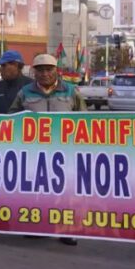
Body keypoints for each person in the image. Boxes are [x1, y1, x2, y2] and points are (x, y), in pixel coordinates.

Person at [9, 53, 84, 246]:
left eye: (49, 69)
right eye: (40, 70)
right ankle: (38, 226)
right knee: (37, 190)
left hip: (65, 152)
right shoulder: (25, 92)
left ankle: (68, 230)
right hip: (35, 152)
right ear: (34, 72)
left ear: (56, 70)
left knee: (66, 191)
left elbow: (86, 121)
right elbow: (11, 117)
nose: (44, 74)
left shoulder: (71, 91)